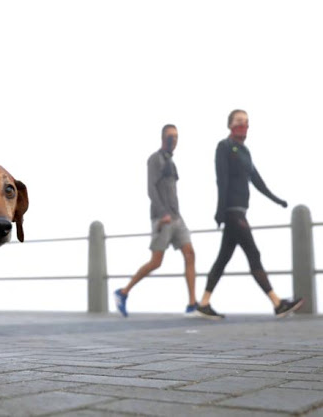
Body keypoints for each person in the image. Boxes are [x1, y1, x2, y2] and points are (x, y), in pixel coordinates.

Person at [196, 109, 303, 319]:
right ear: (229, 125)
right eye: (238, 121)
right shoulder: (224, 147)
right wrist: (220, 211)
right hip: (233, 212)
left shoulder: (245, 152)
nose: (242, 125)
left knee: (222, 259)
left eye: (245, 122)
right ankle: (277, 303)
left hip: (241, 211)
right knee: (253, 254)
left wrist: (277, 199)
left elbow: (256, 180)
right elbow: (222, 179)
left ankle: (204, 303)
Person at [114, 125, 197, 317]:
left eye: (176, 137)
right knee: (156, 262)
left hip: (177, 217)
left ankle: (192, 304)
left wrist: (175, 213)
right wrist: (162, 213)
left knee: (190, 254)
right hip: (163, 218)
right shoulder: (154, 159)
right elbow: (151, 188)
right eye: (170, 137)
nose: (173, 140)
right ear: (163, 138)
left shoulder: (172, 162)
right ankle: (123, 292)